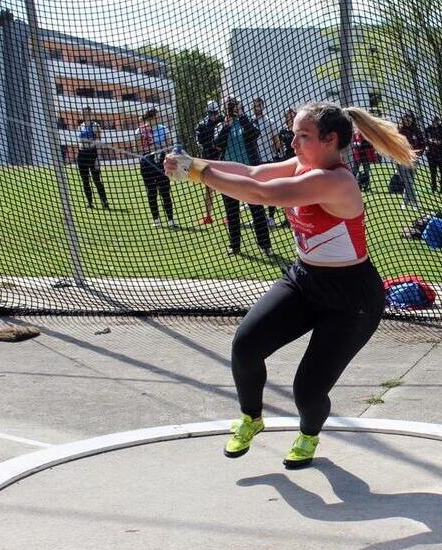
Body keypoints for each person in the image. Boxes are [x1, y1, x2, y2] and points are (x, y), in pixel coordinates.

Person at [162, 101, 414, 469]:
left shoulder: (333, 181)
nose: (292, 143)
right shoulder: (302, 165)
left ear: (329, 141)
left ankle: (309, 434)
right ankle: (251, 417)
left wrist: (199, 173)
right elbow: (251, 172)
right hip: (305, 280)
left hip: (351, 298)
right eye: (293, 134)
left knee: (307, 392)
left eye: (302, 136)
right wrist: (198, 163)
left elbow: (263, 194)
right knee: (246, 346)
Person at [213, 96, 271, 255]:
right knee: (232, 212)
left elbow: (255, 134)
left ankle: (265, 245)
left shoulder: (247, 121)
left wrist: (241, 116)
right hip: (228, 174)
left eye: (235, 106)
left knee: (257, 210)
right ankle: (234, 246)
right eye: (230, 106)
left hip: (248, 172)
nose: (232, 108)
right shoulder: (222, 125)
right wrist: (227, 125)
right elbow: (217, 143)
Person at [136, 108, 174, 227]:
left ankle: (171, 220)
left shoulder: (163, 129)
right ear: (152, 118)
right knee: (151, 192)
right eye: (157, 116)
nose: (159, 118)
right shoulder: (140, 131)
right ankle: (156, 219)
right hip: (147, 163)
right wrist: (150, 148)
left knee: (165, 191)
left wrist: (161, 147)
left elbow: (169, 145)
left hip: (161, 162)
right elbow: (138, 148)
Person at [249, 97, 282, 226]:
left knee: (270, 189)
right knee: (256, 190)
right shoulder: (250, 122)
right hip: (254, 160)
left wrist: (276, 153)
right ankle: (259, 218)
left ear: (263, 107)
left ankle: (271, 217)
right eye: (254, 106)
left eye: (258, 105)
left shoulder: (270, 122)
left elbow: (276, 140)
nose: (256, 108)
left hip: (268, 158)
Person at [194, 100, 224, 225]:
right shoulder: (202, 125)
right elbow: (199, 141)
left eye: (215, 112)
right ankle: (208, 216)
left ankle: (229, 215)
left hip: (222, 158)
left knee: (226, 187)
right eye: (211, 113)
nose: (214, 115)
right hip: (207, 159)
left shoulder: (222, 120)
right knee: (208, 188)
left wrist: (219, 146)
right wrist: (212, 145)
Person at [76, 106, 109, 210]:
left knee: (96, 180)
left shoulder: (95, 125)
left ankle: (104, 202)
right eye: (83, 113)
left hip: (92, 153)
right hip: (82, 154)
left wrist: (98, 158)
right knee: (85, 180)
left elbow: (99, 142)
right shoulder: (80, 126)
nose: (84, 114)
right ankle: (90, 202)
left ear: (90, 113)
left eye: (87, 113)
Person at [397, 112, 425, 210]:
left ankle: (405, 202)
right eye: (406, 118)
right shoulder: (399, 131)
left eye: (409, 118)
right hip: (401, 159)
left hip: (413, 159)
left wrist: (418, 154)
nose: (408, 120)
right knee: (408, 180)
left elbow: (422, 144)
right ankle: (415, 203)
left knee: (410, 182)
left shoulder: (417, 131)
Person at [424, 115, 442, 192]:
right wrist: (430, 141)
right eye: (433, 121)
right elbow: (425, 140)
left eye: (436, 121)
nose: (435, 122)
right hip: (431, 153)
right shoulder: (428, 130)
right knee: (433, 172)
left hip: (441, 154)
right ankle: (433, 187)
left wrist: (441, 143)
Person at [350, 128, 377, 192]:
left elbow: (371, 144)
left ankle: (366, 186)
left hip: (365, 155)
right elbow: (353, 143)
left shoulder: (367, 134)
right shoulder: (355, 134)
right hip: (357, 155)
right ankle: (352, 186)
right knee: (354, 171)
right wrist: (356, 143)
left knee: (366, 171)